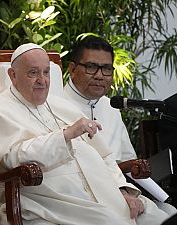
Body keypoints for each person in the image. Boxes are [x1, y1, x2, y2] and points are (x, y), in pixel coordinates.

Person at [0, 43, 170, 225]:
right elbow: (10, 159)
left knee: (165, 216)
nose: (42, 80)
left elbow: (104, 156)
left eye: (46, 72)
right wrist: (65, 135)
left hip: (102, 193)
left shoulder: (61, 105)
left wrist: (122, 190)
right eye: (33, 73)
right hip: (50, 199)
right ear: (13, 75)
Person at [63, 36, 177, 215]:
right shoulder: (55, 107)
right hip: (84, 199)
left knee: (168, 213)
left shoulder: (110, 107)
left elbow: (126, 161)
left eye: (107, 69)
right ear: (72, 69)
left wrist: (136, 170)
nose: (100, 75)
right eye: (91, 67)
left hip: (123, 191)